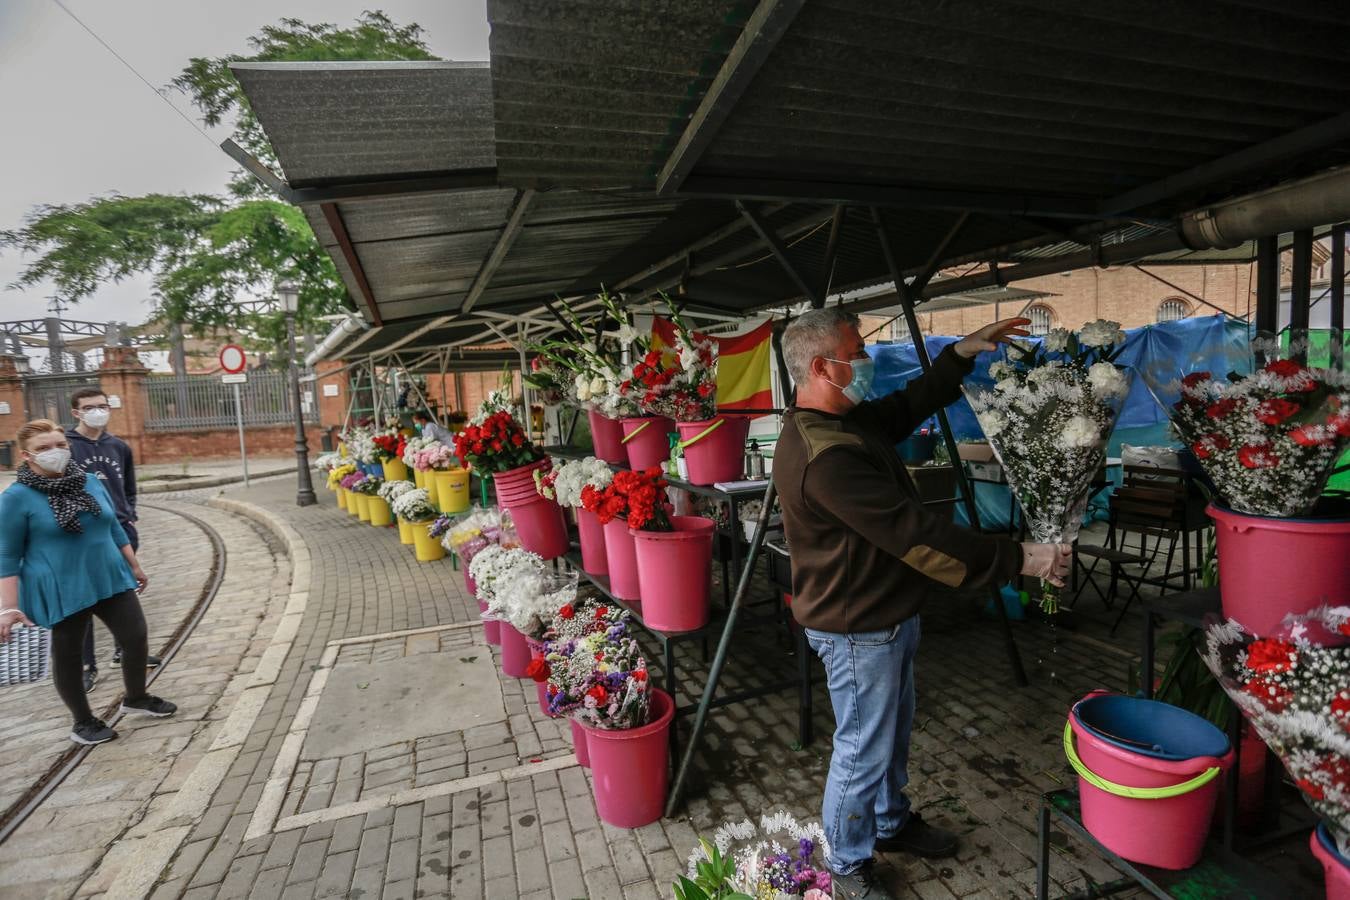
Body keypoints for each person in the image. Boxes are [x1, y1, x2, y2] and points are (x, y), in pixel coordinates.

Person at [775, 309, 1072, 900]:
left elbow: (907, 405)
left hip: (885, 615)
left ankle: (889, 822)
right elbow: (916, 533)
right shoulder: (824, 458)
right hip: (856, 626)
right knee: (862, 747)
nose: (865, 360)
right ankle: (846, 861)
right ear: (819, 367)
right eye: (855, 351)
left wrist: (961, 353)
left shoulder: (845, 422)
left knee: (890, 733)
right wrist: (1022, 558)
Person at [0, 420, 177, 745]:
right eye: (43, 448)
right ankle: (83, 721)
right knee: (69, 654)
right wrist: (8, 608)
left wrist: (133, 564)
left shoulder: (89, 482)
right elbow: (7, 556)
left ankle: (136, 697)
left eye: (59, 445)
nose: (54, 452)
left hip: (108, 574)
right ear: (26, 456)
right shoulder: (15, 498)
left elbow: (112, 526)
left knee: (135, 637)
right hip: (60, 584)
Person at [66, 388, 160, 692]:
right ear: (76, 413)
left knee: (122, 593)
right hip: (81, 536)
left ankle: (125, 650)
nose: (98, 411)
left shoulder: (118, 446)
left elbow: (129, 486)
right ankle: (85, 664)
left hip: (120, 530)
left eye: (103, 406)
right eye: (90, 407)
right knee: (86, 600)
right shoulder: (66, 447)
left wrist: (128, 512)